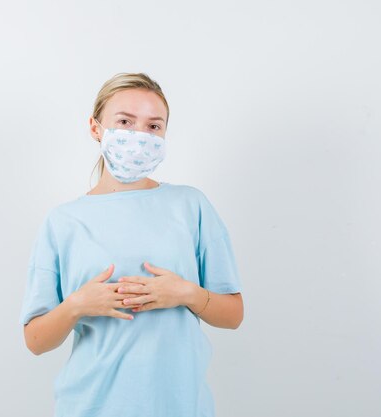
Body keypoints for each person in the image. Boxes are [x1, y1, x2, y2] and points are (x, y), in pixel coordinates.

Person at [19, 72, 244, 417]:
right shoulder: (63, 222)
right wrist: (77, 304)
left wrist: (186, 294)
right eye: (125, 121)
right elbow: (36, 341)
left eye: (154, 126)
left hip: (180, 405)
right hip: (91, 406)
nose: (140, 135)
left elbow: (233, 315)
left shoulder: (191, 206)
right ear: (96, 128)